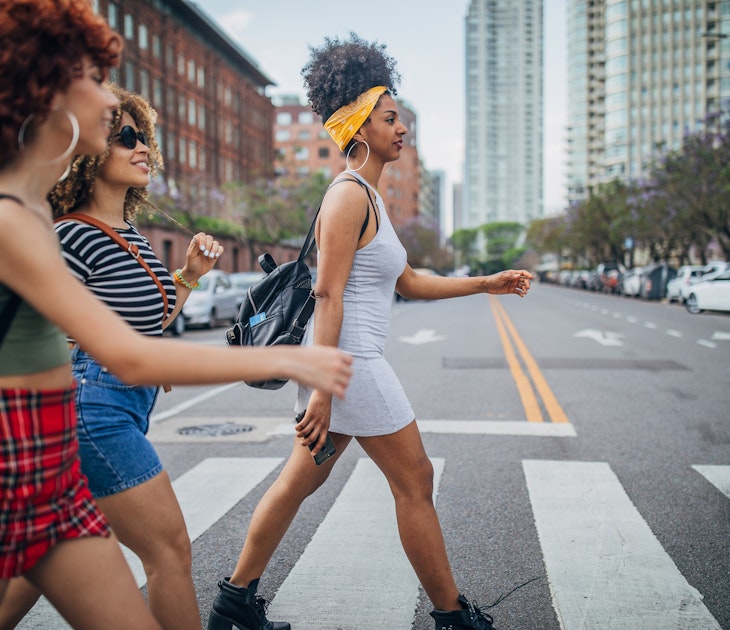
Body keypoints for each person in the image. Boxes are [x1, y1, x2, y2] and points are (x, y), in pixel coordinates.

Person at [0, 3, 352, 630]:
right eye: (89, 76)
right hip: (57, 438)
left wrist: (186, 277)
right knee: (170, 552)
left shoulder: (41, 219)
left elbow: (139, 333)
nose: (110, 98)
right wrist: (284, 355)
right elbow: (126, 352)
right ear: (44, 89)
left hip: (54, 456)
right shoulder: (29, 225)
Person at [206, 33, 533, 630]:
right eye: (390, 119)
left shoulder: (370, 199)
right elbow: (328, 293)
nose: (402, 128)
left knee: (298, 481)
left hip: (340, 365)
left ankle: (233, 603)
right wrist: (326, 390)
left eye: (402, 119)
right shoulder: (348, 197)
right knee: (416, 479)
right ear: (359, 129)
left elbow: (407, 280)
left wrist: (486, 283)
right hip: (350, 364)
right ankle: (451, 617)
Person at [0, 85, 222, 630]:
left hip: (119, 400)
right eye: (125, 137)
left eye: (143, 136)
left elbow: (154, 319)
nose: (142, 147)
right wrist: (119, 357)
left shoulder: (133, 236)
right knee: (170, 549)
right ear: (89, 154)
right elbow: (39, 324)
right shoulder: (72, 235)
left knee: (42, 555)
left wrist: (189, 276)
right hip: (92, 405)